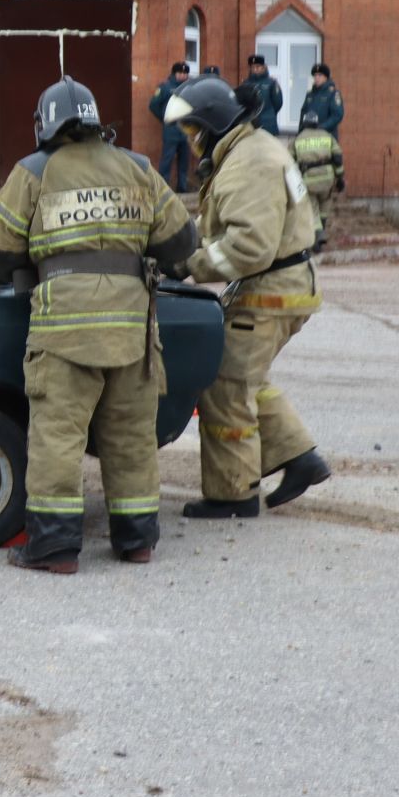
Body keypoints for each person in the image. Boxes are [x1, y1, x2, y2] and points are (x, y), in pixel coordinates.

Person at [0, 76, 200, 574]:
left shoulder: (34, 171)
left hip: (65, 334)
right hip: (132, 333)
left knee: (57, 437)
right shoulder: (139, 168)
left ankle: (55, 549)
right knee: (130, 439)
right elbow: (181, 244)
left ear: (45, 125)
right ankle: (136, 541)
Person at [162, 76, 331, 517]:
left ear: (213, 124)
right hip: (281, 286)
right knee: (246, 378)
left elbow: (248, 246)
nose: (191, 141)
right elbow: (228, 228)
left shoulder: (247, 162)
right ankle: (300, 458)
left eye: (192, 130)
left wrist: (186, 265)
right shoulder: (250, 149)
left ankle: (233, 496)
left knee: (223, 383)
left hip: (269, 291)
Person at [291, 113, 344, 249]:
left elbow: (289, 161)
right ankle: (321, 231)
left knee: (312, 209)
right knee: (324, 207)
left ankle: (318, 237)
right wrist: (340, 177)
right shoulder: (327, 136)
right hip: (327, 179)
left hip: (309, 180)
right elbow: (337, 157)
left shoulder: (298, 139)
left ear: (304, 124)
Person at [147, 60, 193, 193]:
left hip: (186, 130)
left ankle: (182, 187)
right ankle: (163, 188)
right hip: (171, 129)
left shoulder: (189, 87)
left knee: (184, 160)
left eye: (185, 73)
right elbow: (153, 105)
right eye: (180, 73)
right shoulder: (165, 87)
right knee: (167, 160)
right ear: (174, 73)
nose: (183, 76)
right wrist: (164, 118)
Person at [237, 55, 284, 137]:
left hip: (268, 125)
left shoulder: (271, 83)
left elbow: (278, 103)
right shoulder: (245, 84)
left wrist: (269, 114)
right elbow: (241, 103)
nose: (255, 69)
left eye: (258, 67)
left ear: (263, 67)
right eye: (252, 67)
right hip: (250, 125)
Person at [300, 63, 344, 140]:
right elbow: (303, 114)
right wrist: (300, 133)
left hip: (327, 136)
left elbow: (337, 115)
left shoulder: (333, 93)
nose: (317, 78)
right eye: (315, 75)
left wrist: (321, 127)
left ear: (326, 77)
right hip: (310, 137)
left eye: (320, 75)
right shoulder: (310, 95)